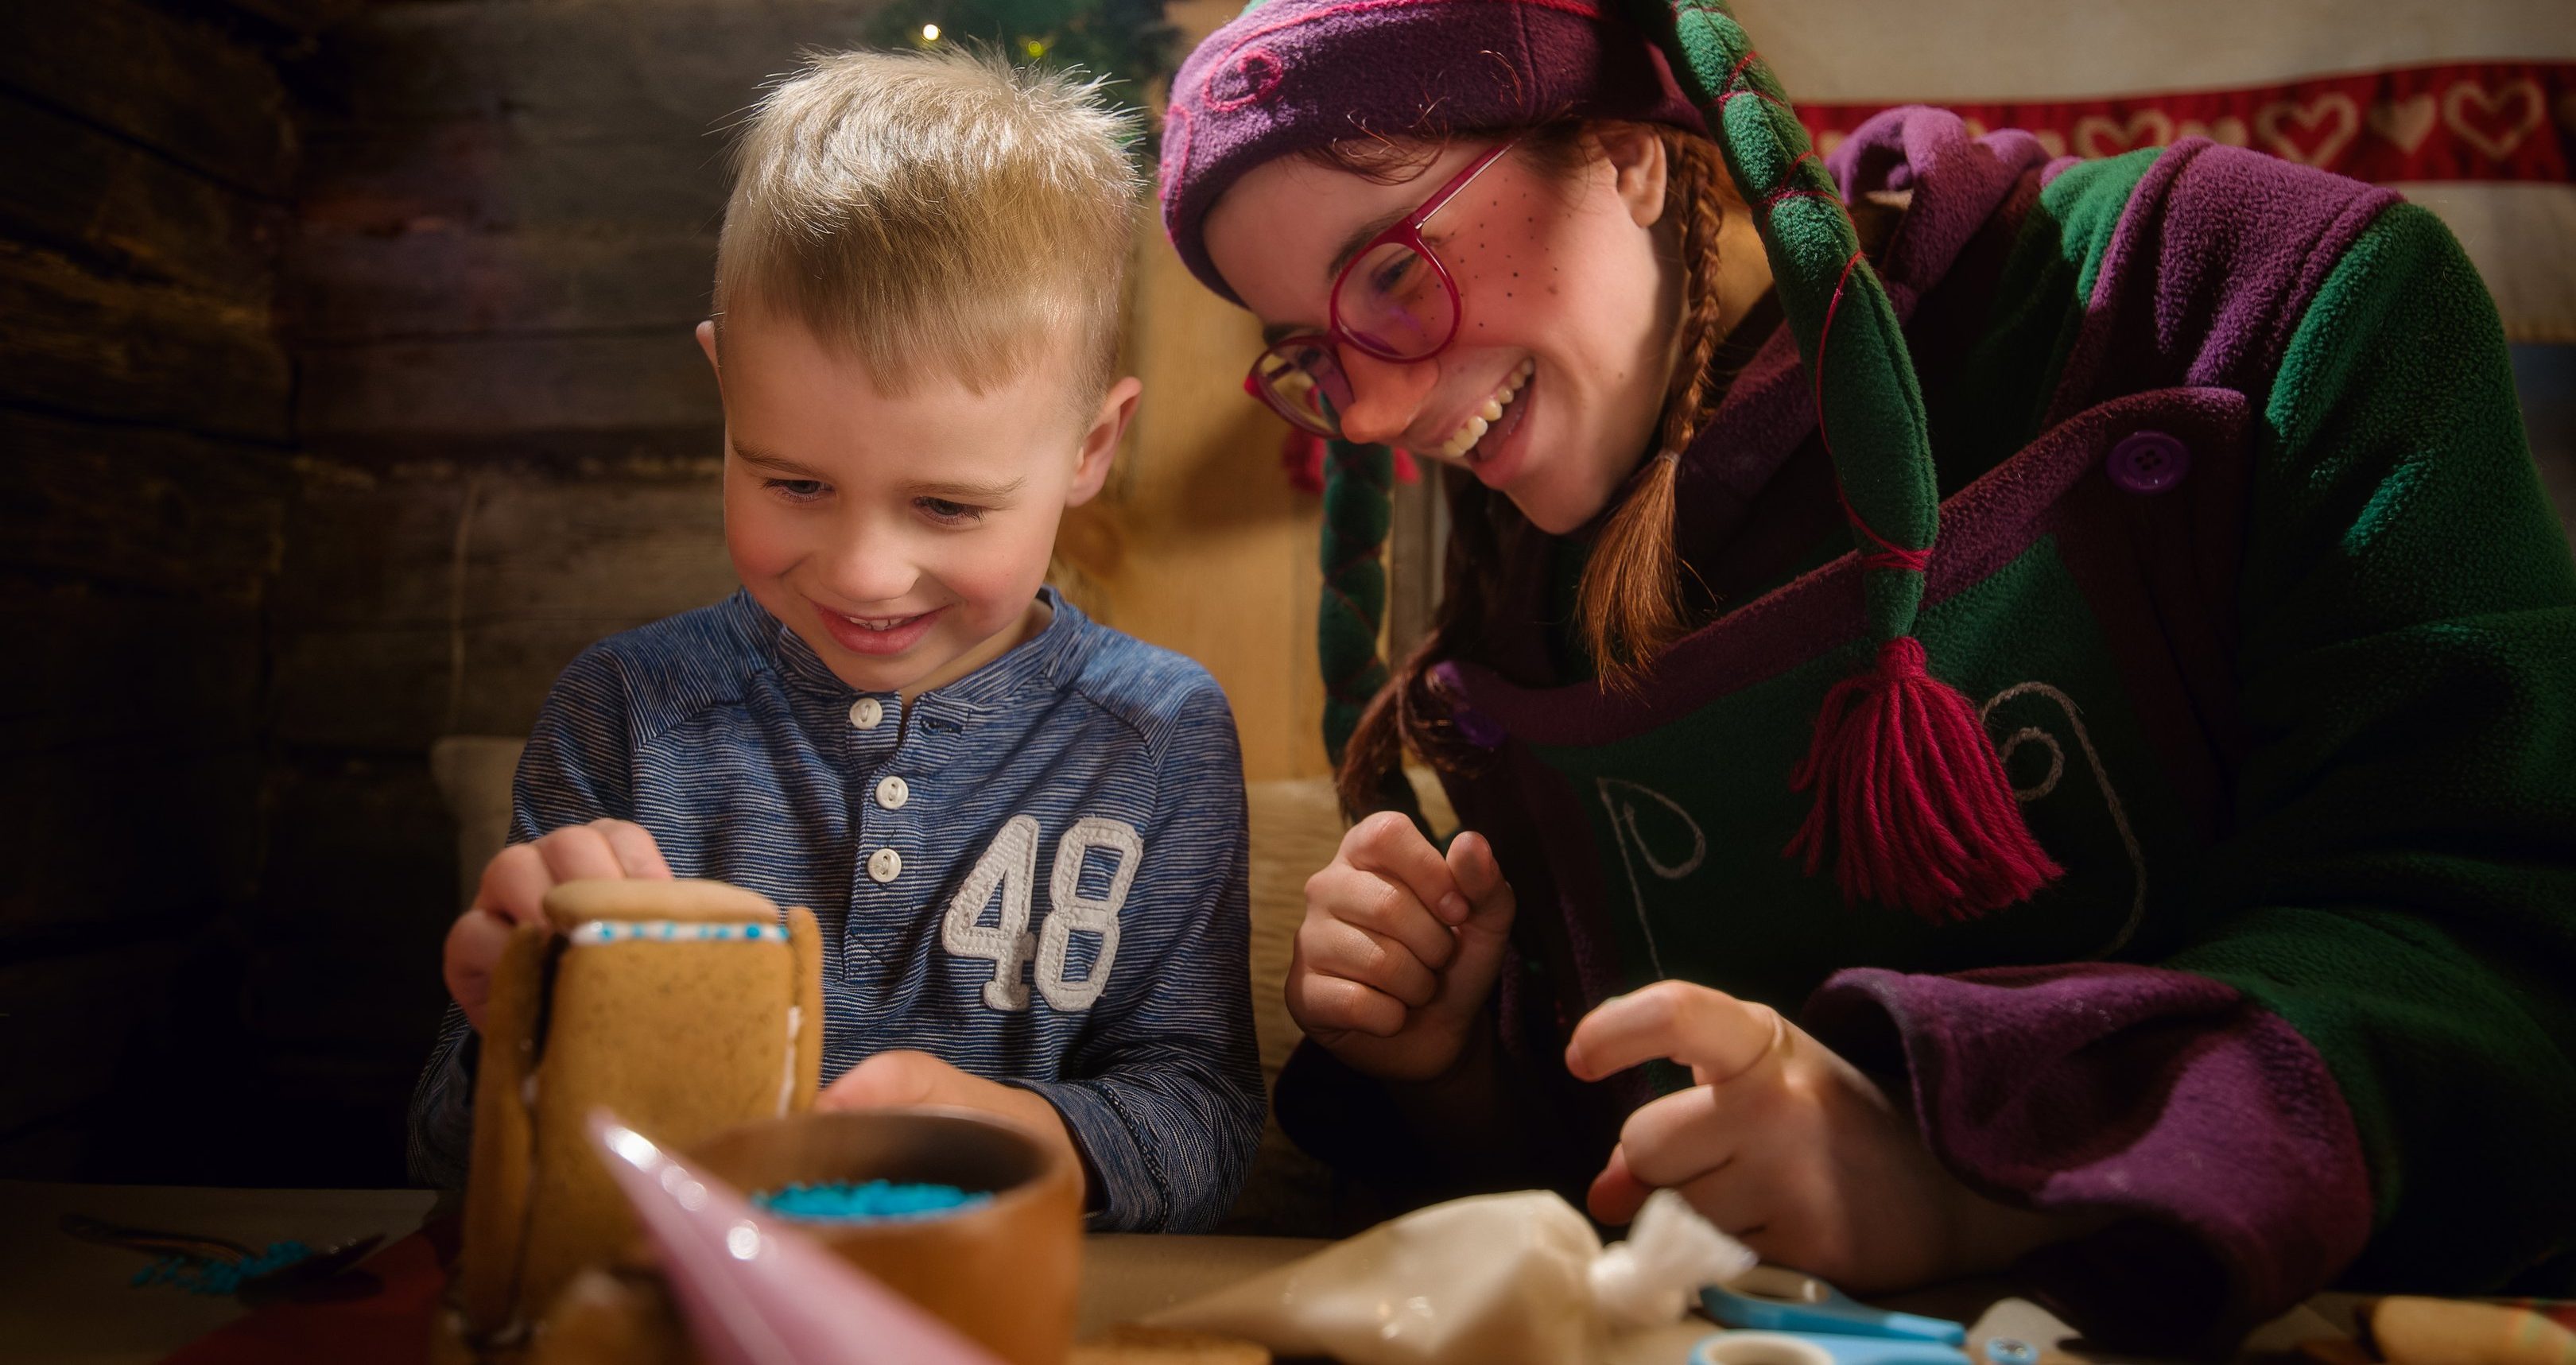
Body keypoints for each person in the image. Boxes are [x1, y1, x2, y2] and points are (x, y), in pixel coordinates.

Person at [1158, 0, 2576, 1338]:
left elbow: (2494, 951)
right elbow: (1614, 1184)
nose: (1376, 414)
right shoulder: (1522, 587)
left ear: (1625, 153)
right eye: (1311, 354)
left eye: (1394, 271)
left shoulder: (2240, 290)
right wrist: (1457, 1066)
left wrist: (1964, 1158)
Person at [409, 46, 1264, 1234]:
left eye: (947, 506)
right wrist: (515, 1033)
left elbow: (1205, 1122)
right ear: (726, 389)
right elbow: (446, 1152)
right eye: (795, 483)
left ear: (1089, 447)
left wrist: (1011, 1136)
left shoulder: (1159, 734)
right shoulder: (626, 711)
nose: (863, 573)